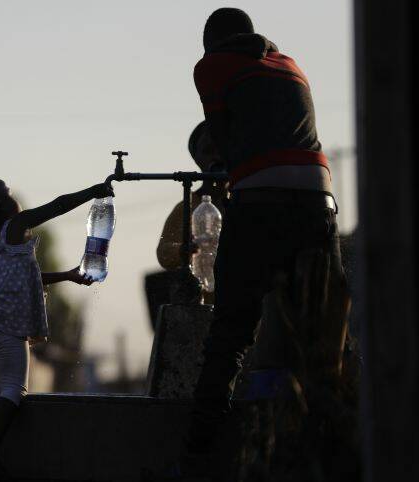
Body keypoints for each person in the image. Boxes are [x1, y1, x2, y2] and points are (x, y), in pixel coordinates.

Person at [174, 8, 342, 480]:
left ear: (211, 42)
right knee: (322, 335)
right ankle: (330, 448)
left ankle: (196, 460)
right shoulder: (291, 64)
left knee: (231, 332)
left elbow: (223, 143)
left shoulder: (212, 66)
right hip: (319, 200)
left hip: (261, 199)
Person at [0, 178, 113, 479]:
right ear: (1, 206)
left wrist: (67, 276)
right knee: (15, 388)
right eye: (10, 195)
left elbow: (27, 277)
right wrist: (93, 192)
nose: (16, 199)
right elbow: (57, 206)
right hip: (6, 324)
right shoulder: (16, 225)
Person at [156, 121, 228, 304]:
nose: (216, 156)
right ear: (197, 159)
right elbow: (164, 253)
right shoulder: (188, 207)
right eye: (207, 151)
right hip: (201, 304)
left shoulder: (248, 201)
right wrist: (184, 249)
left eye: (222, 148)